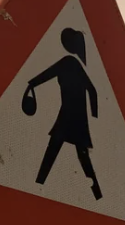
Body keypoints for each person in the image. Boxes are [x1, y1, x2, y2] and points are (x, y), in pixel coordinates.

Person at [23, 27, 102, 199]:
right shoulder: (75, 65)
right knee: (78, 153)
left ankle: (38, 183)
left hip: (69, 115)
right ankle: (97, 194)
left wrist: (32, 84)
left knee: (57, 147)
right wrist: (94, 115)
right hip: (77, 117)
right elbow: (93, 91)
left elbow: (49, 74)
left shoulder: (68, 62)